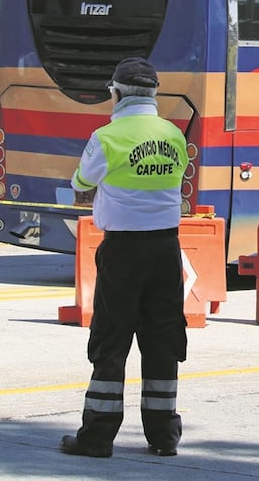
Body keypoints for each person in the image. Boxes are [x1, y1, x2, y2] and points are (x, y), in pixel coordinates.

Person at [60, 56, 189, 458]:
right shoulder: (173, 134)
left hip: (123, 250)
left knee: (112, 340)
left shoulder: (107, 136)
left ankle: (97, 437)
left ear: (114, 93)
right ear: (154, 94)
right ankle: (164, 435)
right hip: (167, 248)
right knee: (163, 338)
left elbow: (81, 181)